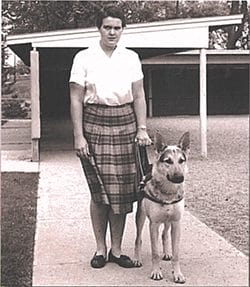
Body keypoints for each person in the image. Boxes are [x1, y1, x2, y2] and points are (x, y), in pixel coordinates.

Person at [69, 5, 151, 269]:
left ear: (122, 30)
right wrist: (78, 135)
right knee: (99, 192)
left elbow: (138, 96)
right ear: (99, 29)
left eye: (117, 27)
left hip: (126, 123)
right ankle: (100, 249)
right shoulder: (83, 57)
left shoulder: (131, 57)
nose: (112, 32)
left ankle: (116, 249)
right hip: (94, 124)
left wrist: (142, 129)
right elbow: (75, 98)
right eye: (108, 27)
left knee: (123, 192)